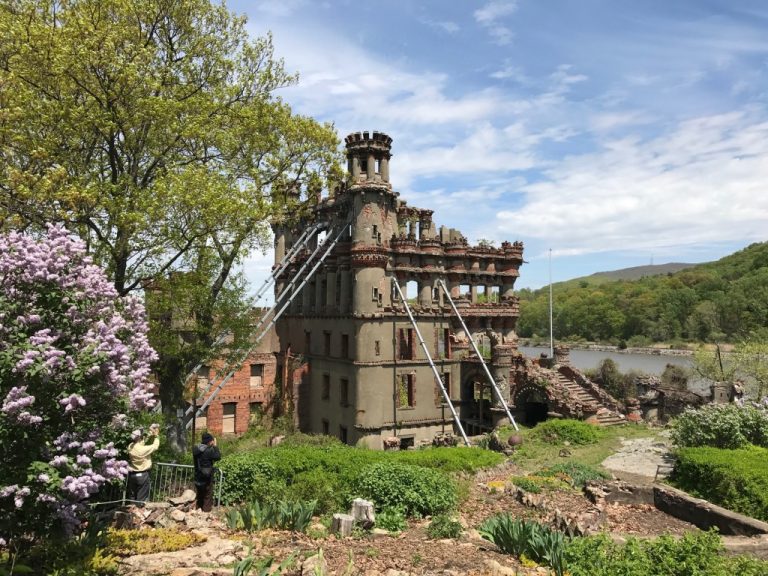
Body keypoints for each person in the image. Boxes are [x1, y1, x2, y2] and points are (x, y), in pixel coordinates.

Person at [127, 423, 160, 504]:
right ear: (139, 438)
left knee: (132, 497)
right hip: (143, 476)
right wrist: (156, 436)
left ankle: (130, 512)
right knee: (141, 500)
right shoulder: (142, 450)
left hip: (132, 475)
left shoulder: (130, 446)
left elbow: (142, 442)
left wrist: (150, 432)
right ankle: (137, 513)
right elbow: (155, 446)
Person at [192, 432, 221, 512]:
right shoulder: (208, 451)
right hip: (207, 476)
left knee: (200, 494)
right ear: (210, 441)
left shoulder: (196, 449)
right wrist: (215, 446)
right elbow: (218, 457)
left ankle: (198, 510)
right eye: (212, 440)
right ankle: (206, 512)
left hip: (198, 474)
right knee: (207, 494)